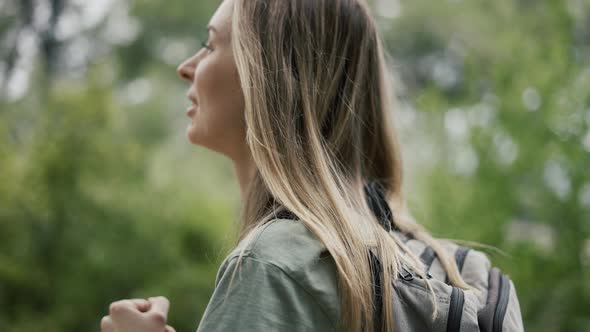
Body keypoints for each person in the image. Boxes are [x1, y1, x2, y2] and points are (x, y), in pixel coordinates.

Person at [100, 0, 525, 331]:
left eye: (211, 44)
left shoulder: (276, 264)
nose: (185, 67)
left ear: (265, 74)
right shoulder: (439, 268)